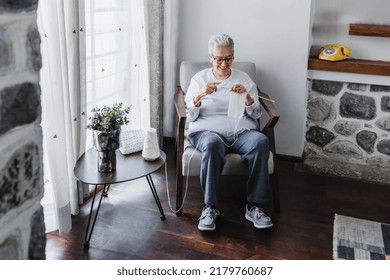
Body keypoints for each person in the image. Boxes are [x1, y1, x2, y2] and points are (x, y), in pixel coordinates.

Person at [185, 34, 273, 231]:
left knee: (260, 142)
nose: (224, 64)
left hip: (241, 131)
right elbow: (189, 116)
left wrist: (249, 98)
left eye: (228, 58)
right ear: (210, 57)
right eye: (219, 59)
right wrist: (200, 95)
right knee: (212, 144)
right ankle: (209, 208)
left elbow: (257, 113)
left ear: (233, 56)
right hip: (207, 131)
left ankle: (254, 207)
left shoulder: (243, 78)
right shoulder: (199, 79)